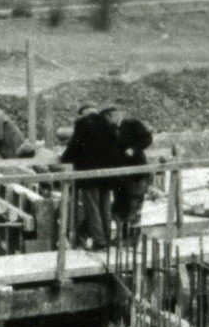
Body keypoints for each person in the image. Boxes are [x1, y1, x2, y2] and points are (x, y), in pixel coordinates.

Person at [60, 104, 128, 246]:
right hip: (107, 174)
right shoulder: (109, 125)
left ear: (83, 114)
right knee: (105, 206)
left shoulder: (83, 124)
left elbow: (74, 147)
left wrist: (63, 159)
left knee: (92, 208)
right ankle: (107, 236)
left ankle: (100, 240)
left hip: (89, 174)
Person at [111, 116, 154, 246]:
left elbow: (147, 138)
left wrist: (135, 149)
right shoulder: (112, 129)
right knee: (120, 208)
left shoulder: (130, 123)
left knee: (133, 208)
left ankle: (133, 240)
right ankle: (122, 238)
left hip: (137, 176)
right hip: (121, 177)